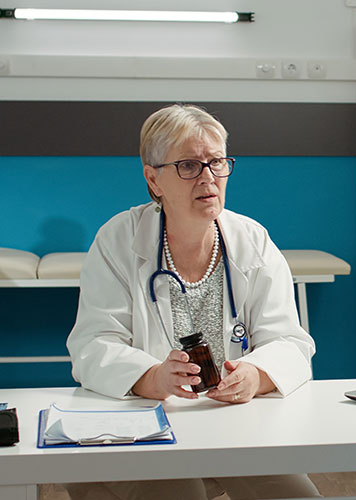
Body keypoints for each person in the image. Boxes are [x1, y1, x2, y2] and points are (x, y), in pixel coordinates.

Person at [65, 104, 320, 499]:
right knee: (180, 491)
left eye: (217, 162)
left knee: (297, 496)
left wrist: (255, 375)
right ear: (153, 179)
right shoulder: (117, 241)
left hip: (228, 427)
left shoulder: (251, 240)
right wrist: (153, 377)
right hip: (141, 428)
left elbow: (289, 340)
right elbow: (92, 345)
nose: (208, 177)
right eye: (188, 165)